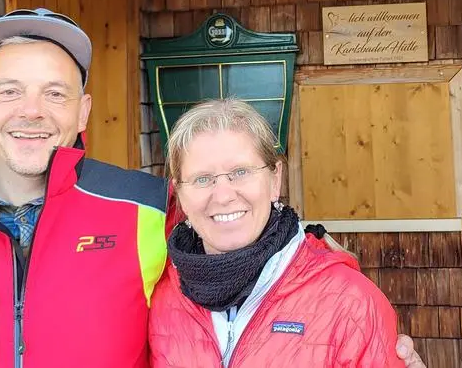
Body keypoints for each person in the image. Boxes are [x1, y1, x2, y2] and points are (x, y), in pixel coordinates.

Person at [0, 8, 428, 367]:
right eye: (9, 91)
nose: (31, 112)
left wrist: (345, 290)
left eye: (55, 94)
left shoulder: (147, 208)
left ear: (82, 112)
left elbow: (245, 239)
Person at [149, 98, 408, 367]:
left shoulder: (350, 301)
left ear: (275, 180)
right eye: (203, 179)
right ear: (180, 195)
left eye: (240, 172)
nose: (223, 195)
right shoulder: (157, 296)